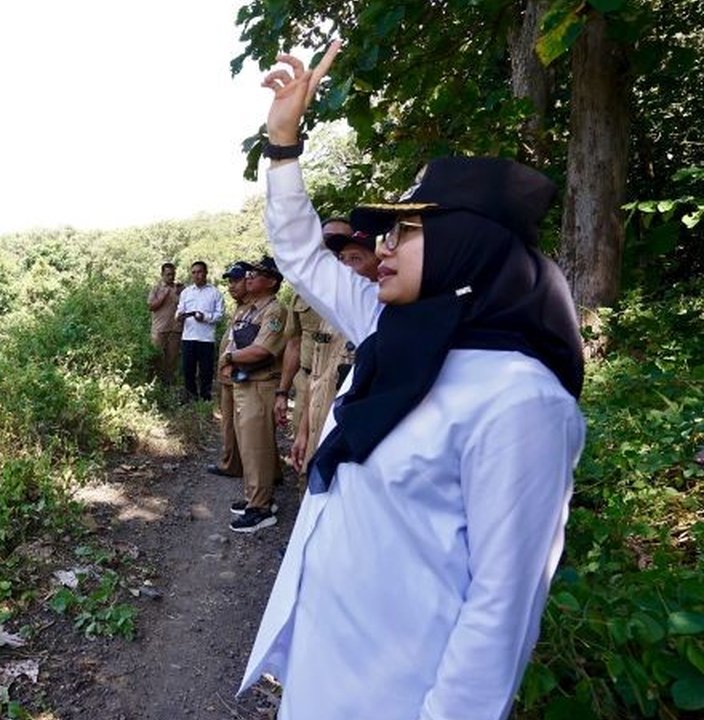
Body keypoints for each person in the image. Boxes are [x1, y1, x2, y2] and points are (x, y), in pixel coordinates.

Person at [240, 43, 587, 720]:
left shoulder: (521, 400)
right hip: (325, 668)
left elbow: (503, 603)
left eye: (407, 231)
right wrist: (283, 144)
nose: (385, 248)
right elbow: (302, 254)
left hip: (400, 695)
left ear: (469, 243)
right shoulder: (394, 336)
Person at [290, 219, 379, 475]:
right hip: (316, 426)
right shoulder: (330, 320)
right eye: (341, 258)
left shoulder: (382, 321)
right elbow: (317, 378)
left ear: (379, 264)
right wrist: (304, 432)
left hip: (346, 441)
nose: (344, 267)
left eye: (355, 259)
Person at [220, 256, 293, 533]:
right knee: (248, 447)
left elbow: (263, 350)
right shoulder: (249, 309)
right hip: (243, 384)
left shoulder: (275, 311)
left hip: (261, 385)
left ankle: (261, 509)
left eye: (257, 274)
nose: (248, 277)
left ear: (272, 281)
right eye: (248, 273)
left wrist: (229, 357)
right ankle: (256, 497)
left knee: (257, 448)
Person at [208, 262, 251, 479]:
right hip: (229, 377)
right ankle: (231, 462)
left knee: (241, 425)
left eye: (236, 280)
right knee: (229, 424)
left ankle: (245, 468)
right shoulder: (240, 307)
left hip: (242, 377)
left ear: (249, 281)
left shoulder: (256, 308)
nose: (231, 286)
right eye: (230, 282)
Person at [176, 261, 225, 401]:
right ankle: (191, 396)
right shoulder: (186, 292)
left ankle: (205, 397)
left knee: (206, 370)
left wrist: (205, 317)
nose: (196, 275)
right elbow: (180, 309)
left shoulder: (215, 293)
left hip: (206, 338)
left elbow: (219, 315)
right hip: (188, 337)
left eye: (199, 272)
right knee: (188, 369)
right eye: (194, 272)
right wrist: (178, 315)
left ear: (205, 273)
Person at [147, 263, 184, 386]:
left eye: (173, 274)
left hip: (175, 329)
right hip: (159, 329)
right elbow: (151, 306)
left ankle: (168, 385)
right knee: (156, 357)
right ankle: (153, 383)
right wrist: (163, 296)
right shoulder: (156, 288)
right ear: (162, 274)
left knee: (171, 360)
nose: (171, 277)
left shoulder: (179, 289)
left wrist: (180, 292)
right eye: (168, 274)